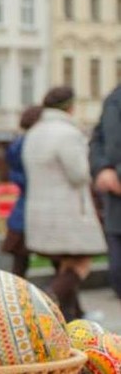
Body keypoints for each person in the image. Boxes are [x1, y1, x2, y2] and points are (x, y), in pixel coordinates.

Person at [23, 87, 107, 321]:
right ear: (70, 106)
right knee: (80, 263)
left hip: (39, 213)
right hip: (67, 212)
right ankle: (44, 305)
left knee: (64, 265)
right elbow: (79, 174)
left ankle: (71, 316)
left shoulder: (34, 131)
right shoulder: (68, 133)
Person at [0, 105, 43, 278]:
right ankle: (63, 300)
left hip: (21, 209)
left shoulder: (17, 143)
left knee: (20, 261)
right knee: (58, 257)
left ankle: (14, 297)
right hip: (37, 206)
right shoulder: (34, 143)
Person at [89, 83, 121, 299]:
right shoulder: (114, 99)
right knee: (117, 269)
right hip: (115, 201)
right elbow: (97, 138)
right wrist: (101, 169)